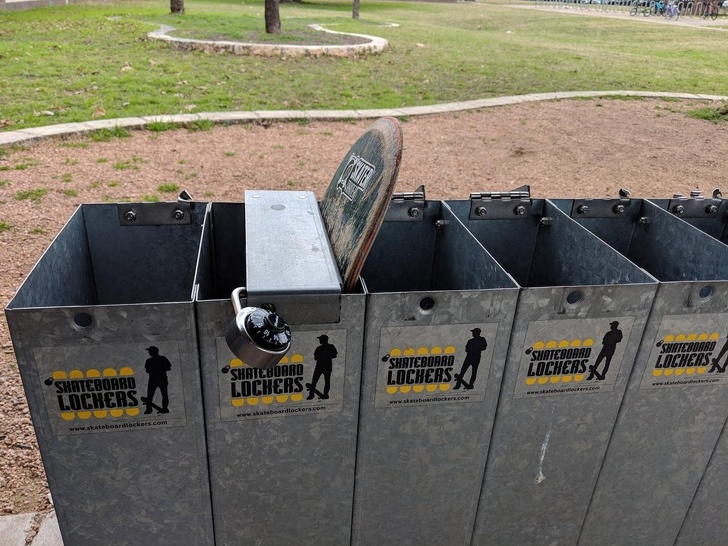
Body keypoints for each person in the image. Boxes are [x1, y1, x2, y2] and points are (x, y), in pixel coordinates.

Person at [307, 335, 337, 400]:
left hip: (323, 366)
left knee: (322, 380)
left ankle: (314, 395)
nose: (320, 341)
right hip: (323, 365)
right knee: (317, 380)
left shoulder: (326, 347)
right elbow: (316, 357)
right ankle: (312, 395)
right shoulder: (320, 348)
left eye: (321, 339)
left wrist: (324, 357)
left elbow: (334, 355)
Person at [144, 346, 171, 413]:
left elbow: (148, 370)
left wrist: (156, 370)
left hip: (155, 379)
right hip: (160, 378)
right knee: (161, 394)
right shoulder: (162, 359)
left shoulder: (150, 360)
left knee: (151, 394)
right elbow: (168, 367)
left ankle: (149, 409)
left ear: (153, 352)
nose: (149, 352)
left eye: (150, 351)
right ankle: (151, 409)